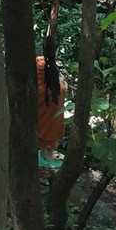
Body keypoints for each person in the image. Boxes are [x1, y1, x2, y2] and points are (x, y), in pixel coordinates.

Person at [37, 35, 67, 163]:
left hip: (43, 101)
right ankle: (47, 150)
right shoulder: (44, 65)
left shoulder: (39, 64)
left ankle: (46, 149)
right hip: (47, 101)